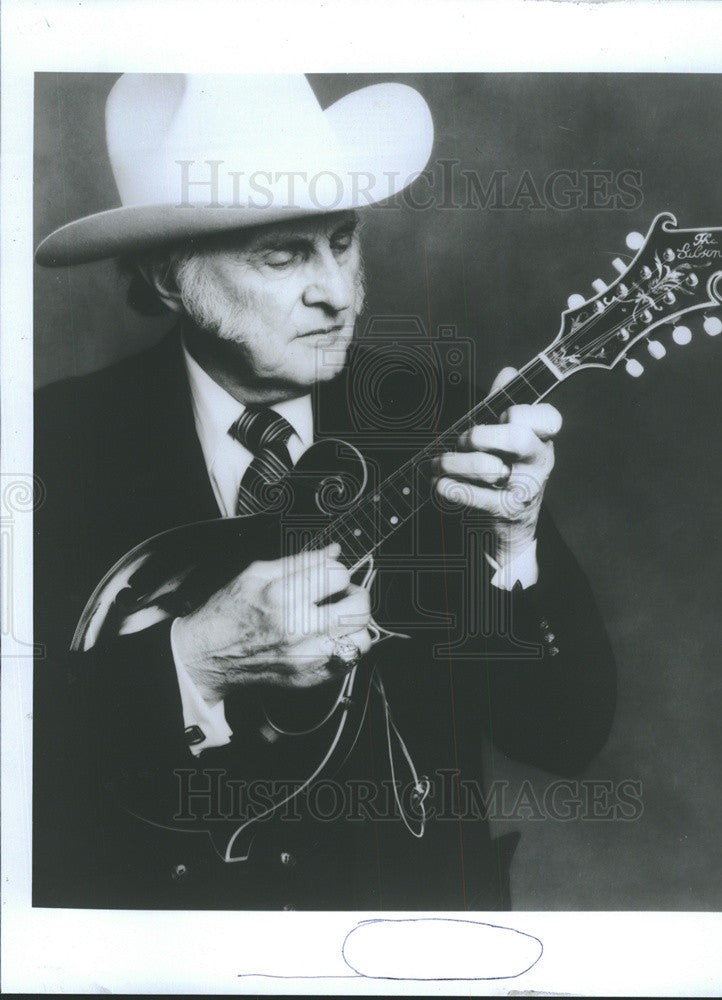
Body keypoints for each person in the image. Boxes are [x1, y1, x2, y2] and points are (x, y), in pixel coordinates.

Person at [33, 73, 616, 911]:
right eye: (284, 253)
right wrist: (194, 659)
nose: (336, 293)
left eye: (342, 241)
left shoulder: (439, 427)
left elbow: (567, 735)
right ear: (168, 278)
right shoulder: (50, 449)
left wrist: (513, 544)